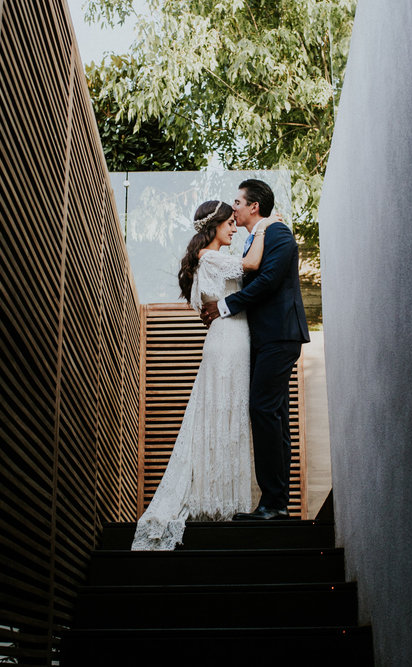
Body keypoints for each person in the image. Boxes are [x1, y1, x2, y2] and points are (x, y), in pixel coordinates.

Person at [131, 200, 271, 550]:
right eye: (229, 224)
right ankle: (217, 501)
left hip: (230, 339)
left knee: (226, 413)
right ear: (216, 224)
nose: (234, 228)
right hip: (227, 342)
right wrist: (265, 226)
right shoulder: (210, 258)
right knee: (222, 412)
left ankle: (221, 497)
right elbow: (252, 263)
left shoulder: (211, 259)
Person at [201, 179, 310, 520]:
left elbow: (268, 281)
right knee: (273, 414)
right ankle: (275, 503)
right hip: (266, 339)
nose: (233, 208)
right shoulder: (256, 239)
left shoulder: (277, 233)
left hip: (279, 335)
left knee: (263, 410)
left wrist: (223, 306)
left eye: (237, 202)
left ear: (254, 207)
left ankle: (273, 502)